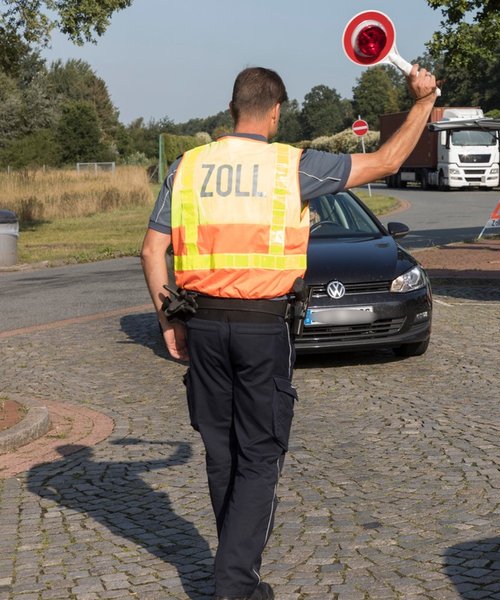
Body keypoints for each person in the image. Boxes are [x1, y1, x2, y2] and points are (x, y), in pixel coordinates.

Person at [140, 65, 438, 600]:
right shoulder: (293, 166)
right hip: (261, 327)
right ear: (275, 112)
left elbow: (151, 250)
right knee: (259, 452)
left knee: (220, 448)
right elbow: (390, 160)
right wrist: (423, 100)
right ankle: (234, 584)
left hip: (201, 323)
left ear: (234, 108)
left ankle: (235, 569)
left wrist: (168, 320)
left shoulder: (188, 167)